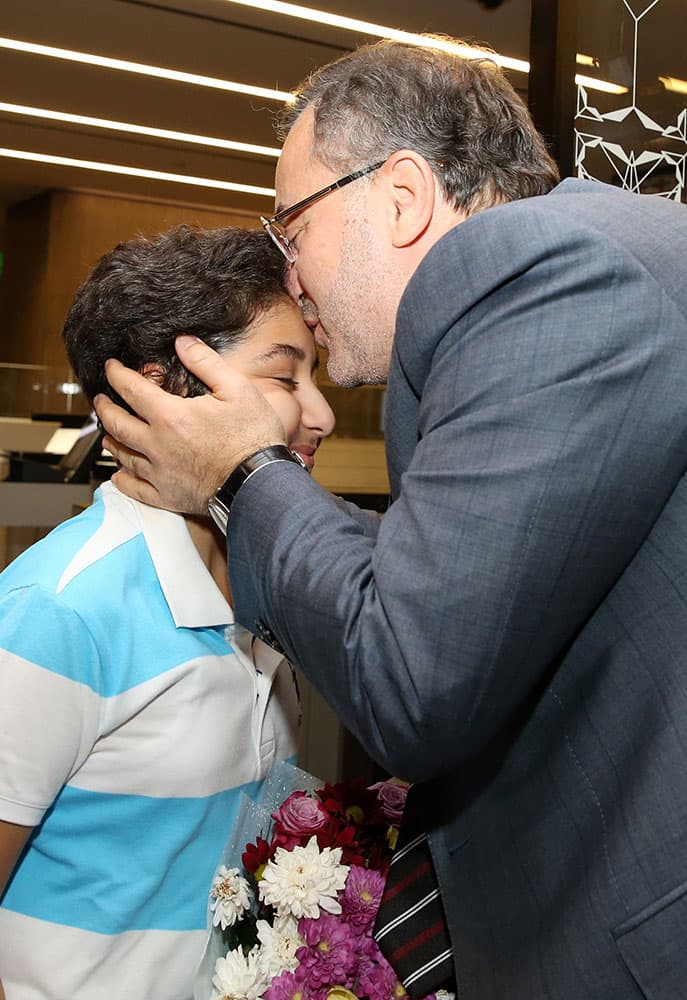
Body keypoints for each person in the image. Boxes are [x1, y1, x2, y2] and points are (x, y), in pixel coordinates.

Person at [95, 37, 687, 1000]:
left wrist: (243, 475)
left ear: (403, 196)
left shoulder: (523, 262)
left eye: (294, 231)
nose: (291, 278)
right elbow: (478, 579)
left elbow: (414, 672)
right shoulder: (616, 245)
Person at [0, 224, 335, 1000]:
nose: (318, 415)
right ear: (161, 393)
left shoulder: (264, 584)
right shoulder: (60, 612)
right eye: (286, 380)